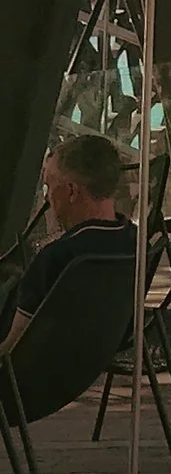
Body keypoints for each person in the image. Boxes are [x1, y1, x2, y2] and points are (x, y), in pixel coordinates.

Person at [0, 132, 134, 352]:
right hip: (88, 362)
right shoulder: (133, 242)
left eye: (49, 186)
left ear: (72, 191)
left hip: (28, 379)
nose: (47, 197)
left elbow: (10, 352)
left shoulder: (57, 259)